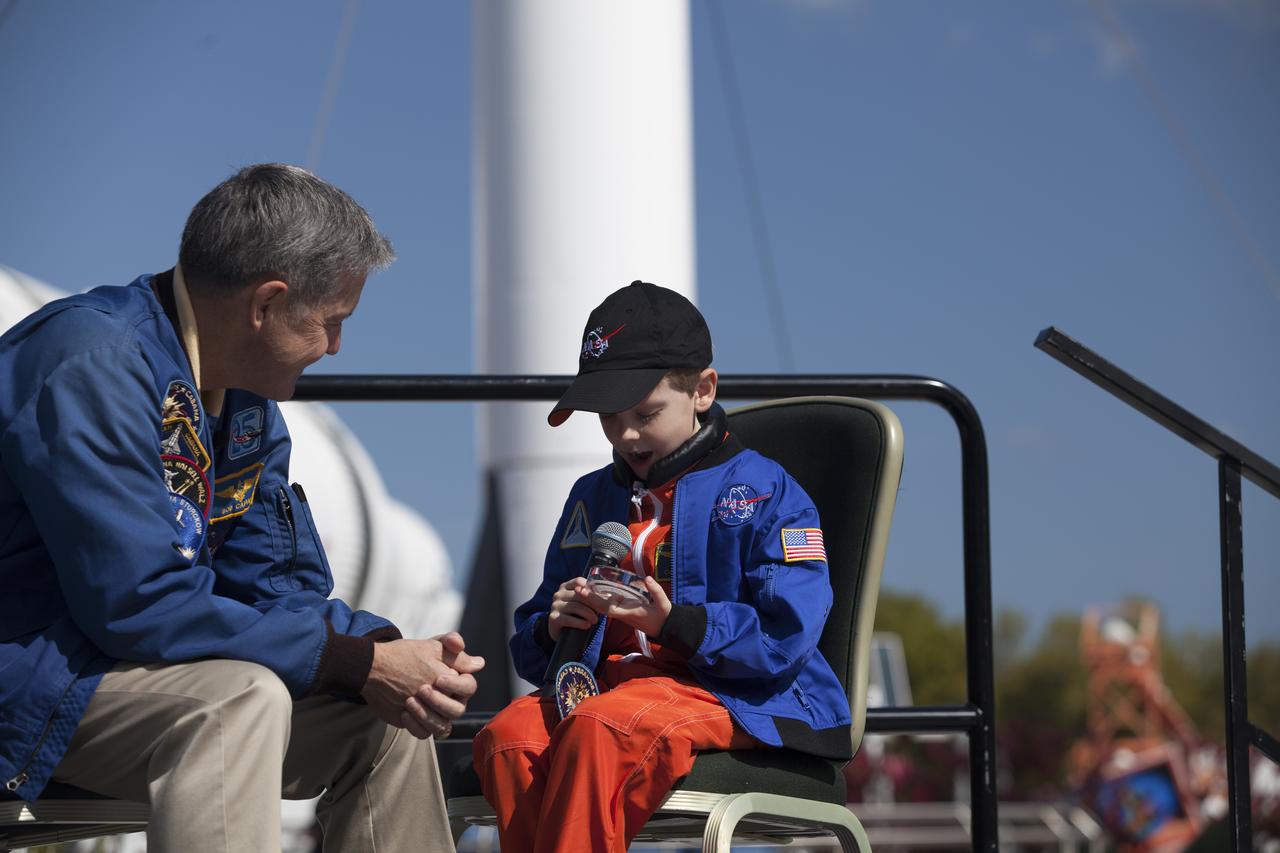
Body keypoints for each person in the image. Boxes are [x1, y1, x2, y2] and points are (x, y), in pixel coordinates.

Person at [0, 163, 483, 852]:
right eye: (331, 322)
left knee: (384, 717)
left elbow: (275, 590)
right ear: (266, 304)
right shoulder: (93, 361)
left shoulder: (246, 411)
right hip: (29, 682)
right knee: (238, 698)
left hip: (113, 678)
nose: (338, 348)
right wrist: (353, 662)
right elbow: (140, 602)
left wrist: (390, 656)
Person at [473, 281, 852, 852]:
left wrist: (675, 624)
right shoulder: (590, 497)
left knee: (603, 732)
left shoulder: (769, 492)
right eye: (608, 417)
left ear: (702, 391)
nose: (625, 434)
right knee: (509, 737)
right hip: (606, 692)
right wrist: (552, 629)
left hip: (735, 694)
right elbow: (532, 636)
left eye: (646, 413)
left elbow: (788, 630)